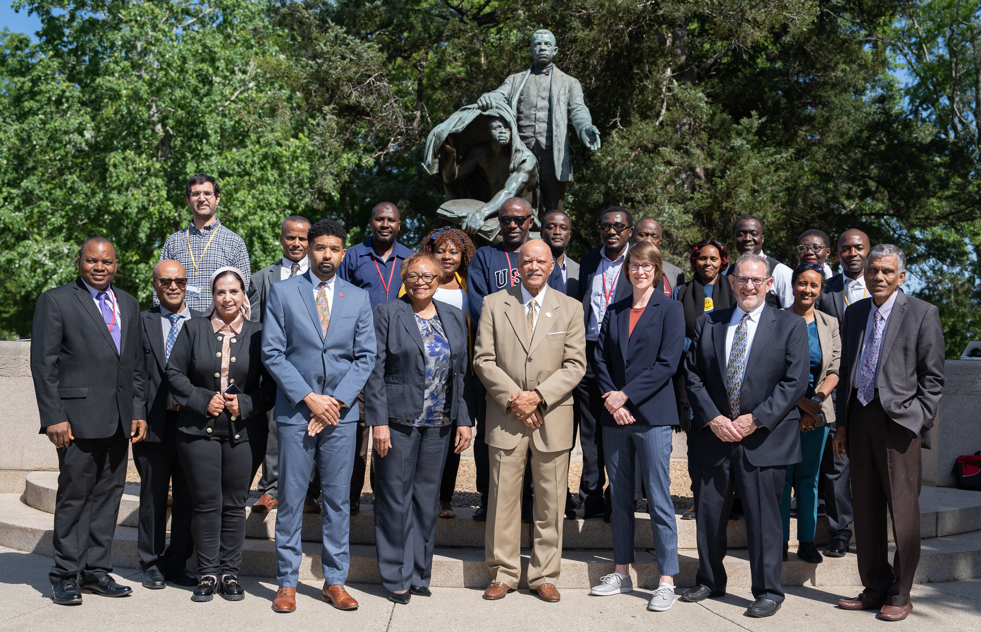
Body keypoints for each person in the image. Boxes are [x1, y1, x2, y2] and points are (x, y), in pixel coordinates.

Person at [681, 253, 808, 618]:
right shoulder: (709, 322)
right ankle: (709, 579)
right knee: (708, 515)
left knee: (765, 520)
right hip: (714, 438)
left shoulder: (789, 326)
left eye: (757, 280)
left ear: (769, 285)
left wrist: (757, 419)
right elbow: (692, 375)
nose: (748, 286)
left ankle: (768, 590)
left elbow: (794, 382)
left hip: (764, 440)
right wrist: (714, 418)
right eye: (742, 279)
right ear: (731, 282)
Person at [261, 219, 376, 614]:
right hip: (296, 413)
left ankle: (335, 580)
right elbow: (273, 353)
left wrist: (336, 403)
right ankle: (286, 583)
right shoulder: (282, 292)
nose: (327, 255)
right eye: (320, 248)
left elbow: (365, 358)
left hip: (341, 417)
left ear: (343, 253)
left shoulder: (358, 298)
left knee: (338, 501)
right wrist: (310, 399)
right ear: (309, 249)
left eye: (335, 249)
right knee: (291, 499)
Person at [31, 236, 148, 605]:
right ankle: (65, 574)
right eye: (92, 261)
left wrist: (138, 411)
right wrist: (53, 417)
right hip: (76, 422)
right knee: (74, 499)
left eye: (107, 262)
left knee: (108, 498)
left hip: (118, 421)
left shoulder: (128, 303)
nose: (100, 268)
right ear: (79, 262)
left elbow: (136, 366)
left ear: (117, 265)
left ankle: (96, 570)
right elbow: (43, 364)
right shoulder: (57, 300)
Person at [831, 245, 945, 622]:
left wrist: (916, 419)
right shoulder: (854, 312)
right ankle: (874, 586)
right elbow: (847, 369)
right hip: (859, 419)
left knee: (903, 512)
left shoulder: (923, 313)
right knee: (864, 510)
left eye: (886, 271)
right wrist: (842, 424)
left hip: (899, 426)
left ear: (901, 276)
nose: (877, 276)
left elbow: (933, 378)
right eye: (873, 270)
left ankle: (900, 592)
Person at [473, 240, 586, 603]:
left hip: (551, 418)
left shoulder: (570, 308)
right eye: (528, 260)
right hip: (506, 417)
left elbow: (575, 365)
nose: (534, 266)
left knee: (551, 503)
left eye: (542, 260)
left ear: (552, 266)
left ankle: (544, 574)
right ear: (516, 266)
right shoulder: (494, 304)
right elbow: (483, 360)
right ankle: (503, 572)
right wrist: (514, 399)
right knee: (502, 500)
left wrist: (537, 397)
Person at [367, 253, 474, 604]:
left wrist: (462, 418)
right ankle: (395, 573)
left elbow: (460, 373)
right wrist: (378, 421)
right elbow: (375, 370)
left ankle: (419, 572)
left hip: (439, 424)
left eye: (428, 275)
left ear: (440, 276)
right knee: (395, 498)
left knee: (427, 500)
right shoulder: (387, 312)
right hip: (398, 423)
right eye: (413, 275)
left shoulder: (454, 316)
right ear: (404, 277)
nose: (421, 281)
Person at [166, 267, 274, 603]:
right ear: (212, 297)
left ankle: (230, 573)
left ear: (244, 295)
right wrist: (202, 399)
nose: (227, 298)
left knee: (233, 504)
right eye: (220, 292)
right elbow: (173, 372)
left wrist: (245, 403)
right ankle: (207, 573)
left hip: (245, 433)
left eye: (234, 292)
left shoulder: (260, 333)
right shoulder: (193, 328)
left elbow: (271, 386)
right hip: (198, 432)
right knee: (206, 503)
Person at [589, 242, 684, 611]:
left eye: (647, 266)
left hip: (651, 415)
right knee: (620, 497)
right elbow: (599, 359)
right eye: (634, 265)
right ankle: (622, 572)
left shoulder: (670, 309)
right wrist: (613, 399)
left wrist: (624, 396)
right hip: (615, 417)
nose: (639, 271)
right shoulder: (614, 310)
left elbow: (667, 363)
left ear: (657, 270)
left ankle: (666, 579)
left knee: (659, 497)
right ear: (626, 270)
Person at [467, 197, 563, 521]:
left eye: (519, 220)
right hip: (497, 363)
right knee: (491, 435)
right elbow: (480, 308)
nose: (512, 225)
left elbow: (558, 306)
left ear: (530, 221)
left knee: (538, 433)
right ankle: (487, 495)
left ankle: (531, 497)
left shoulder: (543, 256)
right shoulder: (485, 257)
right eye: (506, 219)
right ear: (498, 221)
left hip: (540, 368)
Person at [338, 202, 414, 515]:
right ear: (371, 222)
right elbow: (338, 298)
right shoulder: (353, 256)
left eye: (391, 219)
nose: (385, 224)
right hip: (357, 356)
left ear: (399, 224)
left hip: (395, 358)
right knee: (356, 433)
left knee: (389, 433)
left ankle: (383, 500)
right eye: (379, 219)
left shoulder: (410, 259)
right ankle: (350, 500)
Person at [477, 29, 601, 213]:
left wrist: (585, 127)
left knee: (553, 209)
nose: (542, 48)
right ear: (531, 50)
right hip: (521, 150)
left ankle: (551, 241)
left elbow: (578, 109)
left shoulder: (569, 82)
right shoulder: (514, 80)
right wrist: (488, 97)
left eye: (547, 44)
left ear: (555, 50)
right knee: (517, 204)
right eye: (538, 44)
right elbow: (498, 95)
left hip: (553, 152)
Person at [135, 260, 203, 590]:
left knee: (189, 496)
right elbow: (133, 373)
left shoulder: (203, 323)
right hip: (152, 424)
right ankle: (150, 562)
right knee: (153, 496)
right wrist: (137, 414)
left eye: (179, 281)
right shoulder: (141, 321)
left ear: (187, 283)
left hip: (192, 424)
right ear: (155, 285)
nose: (173, 286)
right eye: (165, 281)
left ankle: (177, 562)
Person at [402, 227, 477, 519]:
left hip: (457, 373)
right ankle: (414, 497)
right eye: (441, 251)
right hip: (418, 377)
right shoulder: (413, 285)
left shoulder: (467, 286)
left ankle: (445, 498)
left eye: (453, 252)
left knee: (454, 433)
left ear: (463, 256)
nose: (447, 256)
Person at [248, 215, 320, 515]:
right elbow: (254, 324)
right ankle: (270, 488)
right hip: (274, 368)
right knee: (274, 428)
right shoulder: (263, 278)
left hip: (311, 367)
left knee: (312, 428)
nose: (297, 243)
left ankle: (308, 492)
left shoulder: (321, 277)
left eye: (303, 238)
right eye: (291, 237)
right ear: (281, 239)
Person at [779, 263, 840, 565]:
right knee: (781, 478)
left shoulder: (829, 323)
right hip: (781, 412)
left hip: (818, 413)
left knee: (808, 479)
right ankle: (777, 542)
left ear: (821, 289)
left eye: (814, 285)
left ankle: (806, 542)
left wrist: (813, 403)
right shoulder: (775, 320)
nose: (807, 290)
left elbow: (834, 369)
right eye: (802, 283)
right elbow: (770, 370)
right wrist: (799, 403)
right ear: (793, 286)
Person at [815, 228, 870, 557]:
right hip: (837, 385)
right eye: (845, 249)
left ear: (868, 250)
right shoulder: (828, 290)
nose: (852, 253)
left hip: (875, 388)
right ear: (837, 254)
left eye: (858, 247)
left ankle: (872, 524)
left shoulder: (883, 286)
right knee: (838, 462)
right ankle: (840, 530)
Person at [576, 206, 633, 519]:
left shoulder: (636, 263)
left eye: (618, 226)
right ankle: (591, 494)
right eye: (605, 226)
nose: (611, 231)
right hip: (588, 353)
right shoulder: (587, 261)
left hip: (621, 356)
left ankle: (618, 498)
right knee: (590, 430)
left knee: (620, 428)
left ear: (629, 231)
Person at [672, 239, 733, 520]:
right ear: (693, 261)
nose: (707, 263)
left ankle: (728, 502)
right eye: (702, 258)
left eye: (713, 258)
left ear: (723, 261)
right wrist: (697, 346)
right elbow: (675, 334)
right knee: (698, 443)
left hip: (728, 378)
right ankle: (699, 500)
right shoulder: (681, 292)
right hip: (692, 378)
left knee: (728, 442)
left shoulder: (734, 290)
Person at [159, 174, 252, 312]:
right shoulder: (173, 242)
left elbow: (244, 290)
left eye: (207, 193)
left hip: (219, 324)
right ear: (188, 200)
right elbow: (160, 287)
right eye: (196, 194)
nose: (202, 199)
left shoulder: (234, 242)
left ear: (217, 198)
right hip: (179, 325)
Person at [726, 215, 791, 308]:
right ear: (733, 239)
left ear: (762, 238)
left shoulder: (781, 272)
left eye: (753, 234)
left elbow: (791, 313)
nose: (747, 238)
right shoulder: (726, 273)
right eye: (741, 234)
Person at [632, 217, 685, 292]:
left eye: (654, 237)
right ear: (631, 236)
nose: (648, 240)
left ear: (660, 242)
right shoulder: (619, 268)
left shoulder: (676, 274)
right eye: (643, 235)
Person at [542, 210, 579, 297]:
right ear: (541, 233)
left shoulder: (579, 272)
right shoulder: (529, 267)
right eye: (551, 227)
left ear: (569, 235)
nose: (557, 232)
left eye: (563, 228)